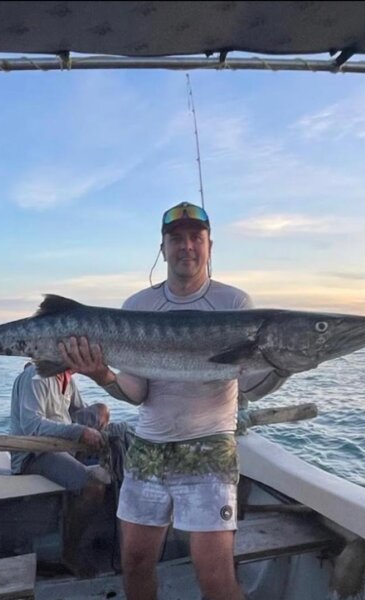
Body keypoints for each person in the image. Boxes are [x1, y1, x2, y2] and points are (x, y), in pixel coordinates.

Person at [59, 201, 283, 600]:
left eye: (195, 238)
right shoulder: (138, 306)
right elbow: (138, 392)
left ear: (209, 246)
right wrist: (101, 375)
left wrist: (283, 365)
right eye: (176, 239)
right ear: (163, 248)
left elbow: (249, 389)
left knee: (214, 573)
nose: (186, 247)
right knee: (136, 562)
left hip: (210, 445)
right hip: (149, 446)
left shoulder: (234, 305)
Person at [9, 362, 111, 574]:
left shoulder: (67, 379)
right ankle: (70, 553)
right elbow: (32, 427)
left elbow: (80, 413)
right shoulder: (35, 377)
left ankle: (77, 467)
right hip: (35, 453)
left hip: (62, 447)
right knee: (94, 484)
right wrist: (80, 431)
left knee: (102, 411)